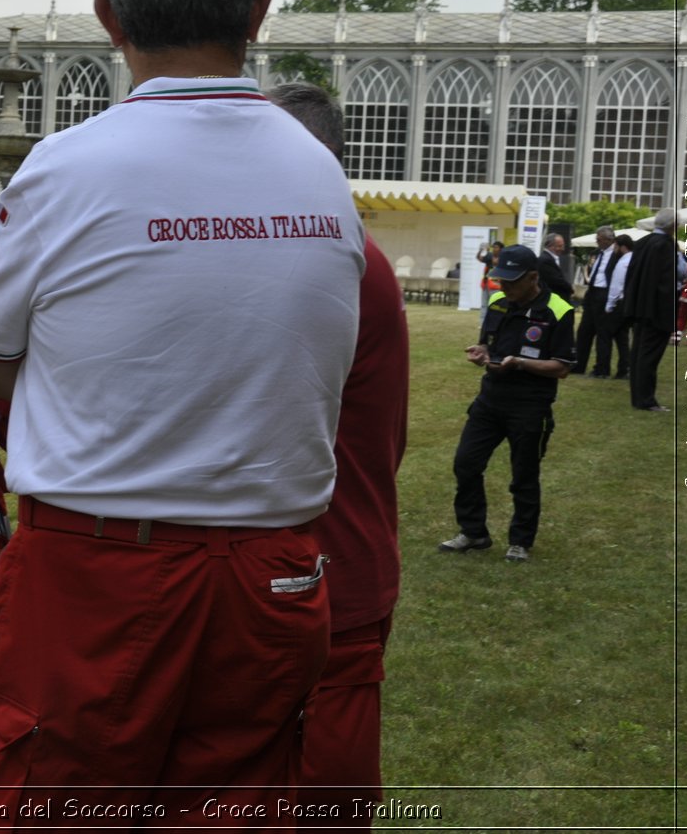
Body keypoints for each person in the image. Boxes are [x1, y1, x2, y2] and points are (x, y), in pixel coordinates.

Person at [0, 0, 363, 821]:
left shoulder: (68, 164)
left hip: (103, 570)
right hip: (274, 573)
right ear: (259, 8)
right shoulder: (323, 177)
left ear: (108, 16)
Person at [267, 82, 407, 829]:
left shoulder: (338, 263)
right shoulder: (340, 251)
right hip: (325, 564)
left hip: (329, 576)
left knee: (326, 798)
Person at [439, 244, 574, 563]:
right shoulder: (499, 303)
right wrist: (481, 352)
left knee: (523, 474)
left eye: (511, 281)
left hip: (530, 406)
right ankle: (473, 532)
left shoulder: (558, 310)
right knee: (466, 463)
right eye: (501, 280)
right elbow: (489, 345)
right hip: (490, 400)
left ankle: (520, 541)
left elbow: (563, 367)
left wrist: (520, 364)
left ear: (533, 278)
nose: (504, 287)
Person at [623, 209, 678, 411]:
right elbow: (665, 283)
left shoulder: (644, 242)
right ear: (672, 225)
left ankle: (639, 397)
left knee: (639, 353)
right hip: (656, 311)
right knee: (649, 356)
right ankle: (646, 400)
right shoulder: (664, 246)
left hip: (640, 308)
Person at [572, 227, 618, 375]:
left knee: (603, 334)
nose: (597, 241)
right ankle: (578, 365)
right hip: (592, 293)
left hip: (605, 294)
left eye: (599, 239)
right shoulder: (598, 253)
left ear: (608, 239)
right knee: (584, 331)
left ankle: (602, 368)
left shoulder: (616, 254)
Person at [604, 235, 635, 380]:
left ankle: (605, 368)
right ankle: (625, 368)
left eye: (616, 246)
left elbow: (616, 286)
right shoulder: (635, 259)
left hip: (620, 303)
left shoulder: (622, 263)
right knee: (622, 337)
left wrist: (609, 305)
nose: (614, 249)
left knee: (608, 334)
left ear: (622, 247)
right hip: (631, 303)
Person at [538, 232, 574, 303]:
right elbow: (557, 280)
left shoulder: (549, 258)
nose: (562, 249)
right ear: (550, 246)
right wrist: (571, 289)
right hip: (551, 300)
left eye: (563, 246)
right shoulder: (545, 260)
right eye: (560, 246)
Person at [477, 239, 504, 310]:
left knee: (494, 305)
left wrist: (488, 253)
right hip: (486, 284)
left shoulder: (503, 258)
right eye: (493, 247)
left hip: (496, 285)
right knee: (484, 305)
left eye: (496, 247)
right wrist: (481, 250)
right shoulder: (489, 256)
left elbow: (495, 262)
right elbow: (479, 258)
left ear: (501, 249)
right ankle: (483, 321)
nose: (494, 249)